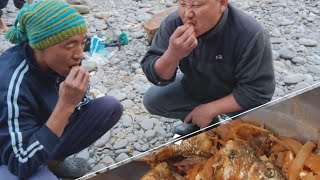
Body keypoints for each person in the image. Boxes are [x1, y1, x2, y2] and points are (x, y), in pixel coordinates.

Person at [0, 0, 123, 179]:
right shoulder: (12, 82)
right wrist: (66, 105)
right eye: (70, 45)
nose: (79, 54)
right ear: (40, 45)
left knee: (109, 107)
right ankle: (43, 168)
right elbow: (19, 162)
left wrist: (76, 98)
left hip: (42, 131)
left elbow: (78, 109)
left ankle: (52, 162)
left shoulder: (60, 63)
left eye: (82, 42)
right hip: (11, 158)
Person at [141, 0, 275, 136]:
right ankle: (204, 125)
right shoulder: (173, 24)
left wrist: (210, 109)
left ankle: (229, 126)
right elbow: (152, 71)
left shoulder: (249, 33)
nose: (187, 14)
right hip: (196, 87)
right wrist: (172, 55)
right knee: (153, 99)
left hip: (235, 95)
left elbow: (259, 92)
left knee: (258, 129)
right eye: (182, 4)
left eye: (196, 5)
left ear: (222, 3)